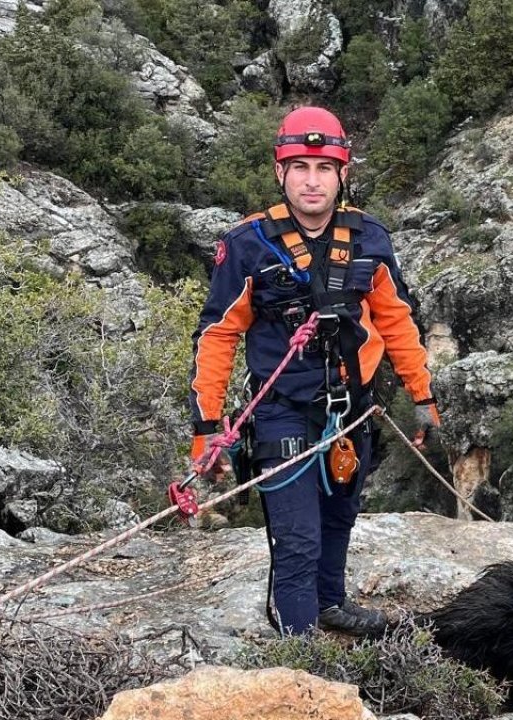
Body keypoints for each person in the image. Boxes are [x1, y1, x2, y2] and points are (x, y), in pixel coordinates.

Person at [188, 106, 441, 637]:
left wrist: (422, 395)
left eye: (324, 167)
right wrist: (207, 427)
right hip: (282, 413)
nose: (311, 180)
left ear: (342, 173)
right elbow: (218, 335)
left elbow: (397, 321)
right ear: (280, 172)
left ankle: (330, 603)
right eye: (299, 166)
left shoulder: (370, 239)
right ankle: (299, 647)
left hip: (353, 411)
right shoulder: (247, 245)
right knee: (297, 536)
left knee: (339, 517)